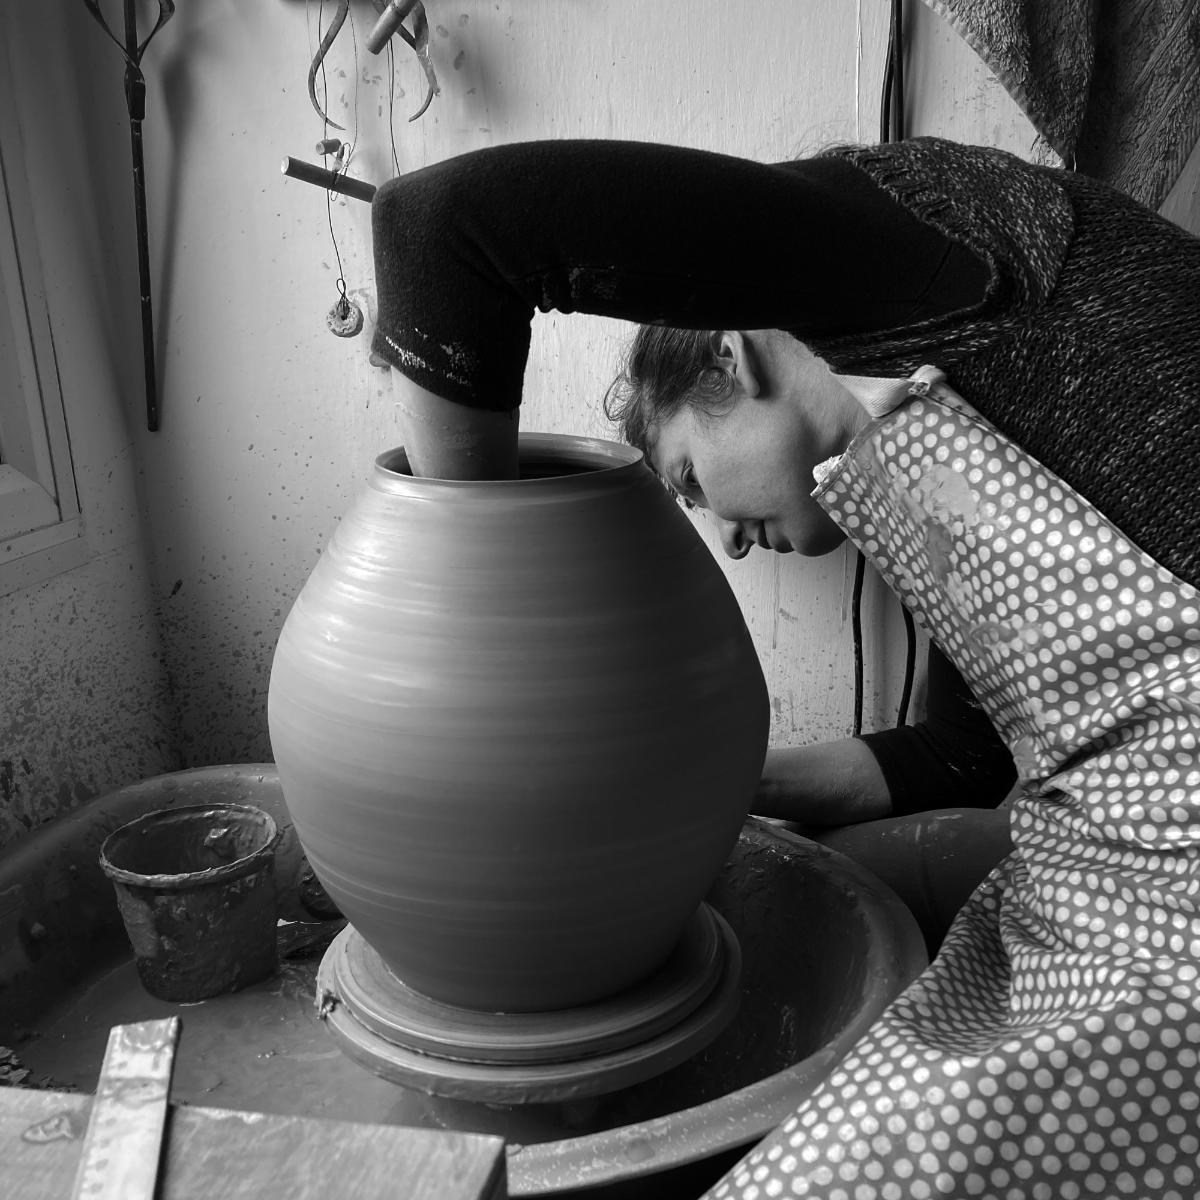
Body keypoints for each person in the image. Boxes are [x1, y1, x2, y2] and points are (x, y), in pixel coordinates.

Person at [369, 136, 1200, 1197]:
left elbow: (440, 225)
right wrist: (713, 804)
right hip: (1123, 869)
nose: (722, 535)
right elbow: (959, 757)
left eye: (691, 480)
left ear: (734, 358)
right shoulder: (920, 457)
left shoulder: (912, 256)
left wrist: (468, 605)